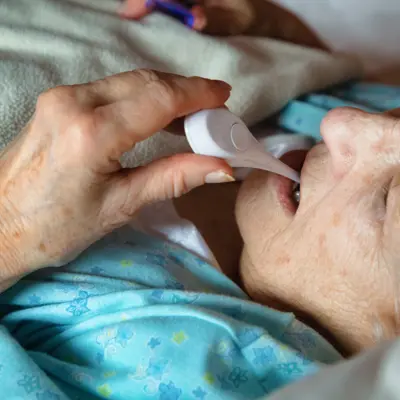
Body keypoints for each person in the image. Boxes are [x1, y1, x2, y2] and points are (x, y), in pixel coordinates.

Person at [0, 69, 399, 399]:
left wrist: (9, 229)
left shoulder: (209, 374)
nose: (344, 120)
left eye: (389, 195)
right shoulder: (334, 120)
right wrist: (262, 20)